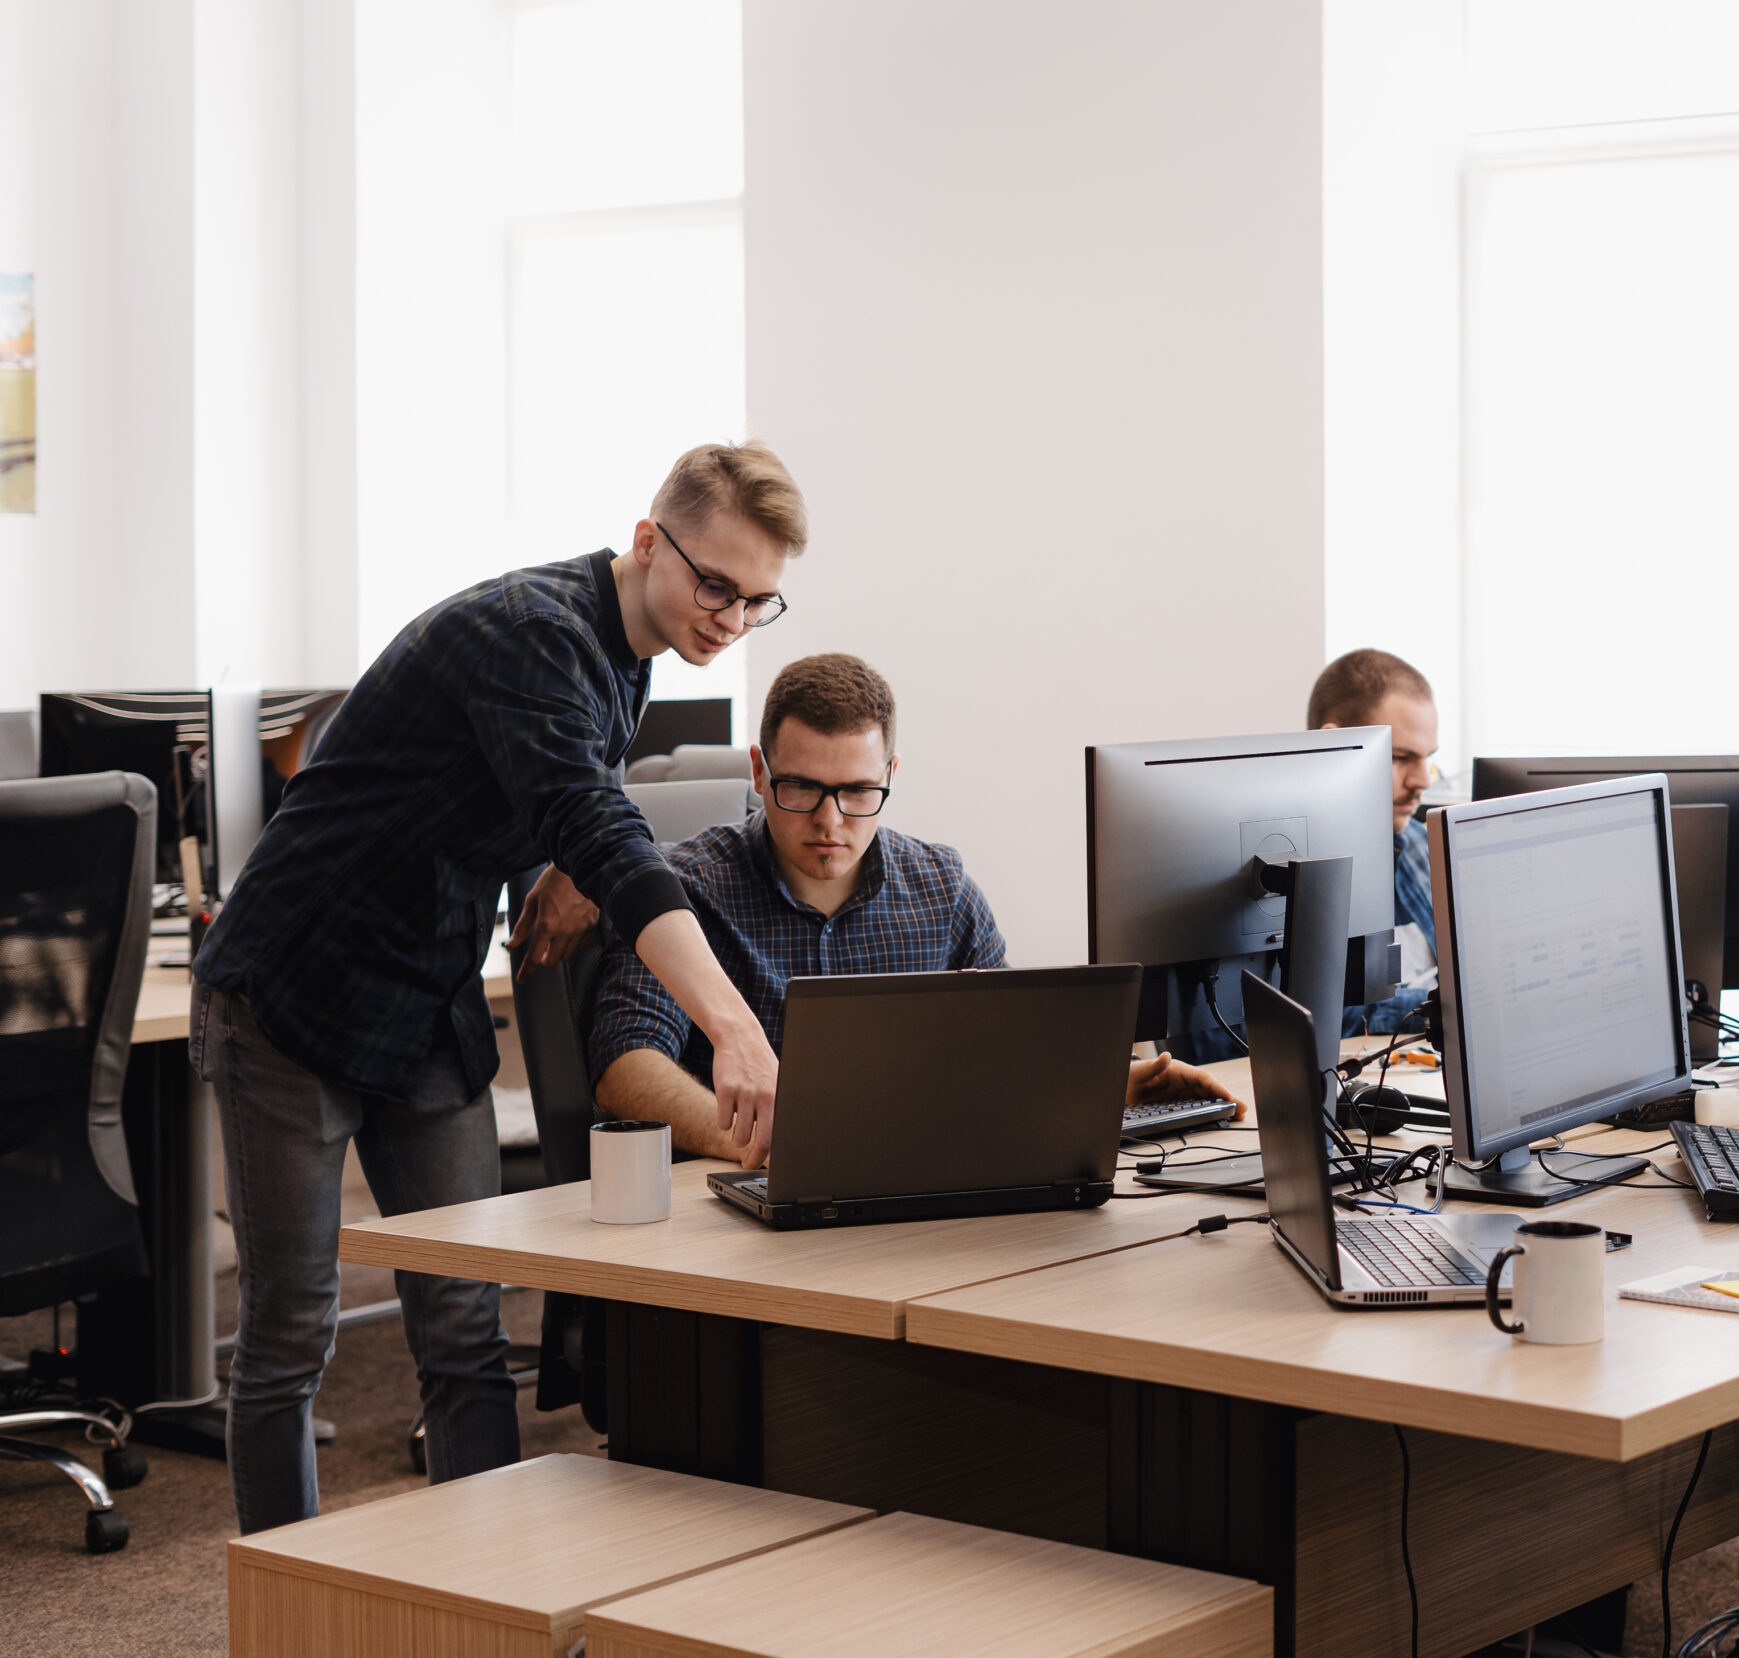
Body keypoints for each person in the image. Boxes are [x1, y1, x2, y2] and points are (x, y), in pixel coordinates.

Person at [191, 440, 807, 1533]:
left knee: (467, 1322)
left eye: (757, 602)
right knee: (292, 1333)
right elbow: (603, 824)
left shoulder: (631, 648)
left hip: (423, 997)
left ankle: (484, 1612)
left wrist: (565, 865)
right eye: (715, 584)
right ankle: (281, 1602)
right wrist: (733, 1025)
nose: (728, 615)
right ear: (646, 540)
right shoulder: (530, 633)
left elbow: (561, 788)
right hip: (290, 989)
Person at [589, 653, 1236, 1152]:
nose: (830, 820)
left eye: (858, 791)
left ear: (891, 776)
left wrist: (1111, 1087)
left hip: (915, 1200)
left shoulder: (940, 889)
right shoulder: (686, 891)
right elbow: (627, 1068)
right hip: (750, 1208)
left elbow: (1007, 1053)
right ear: (759, 772)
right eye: (801, 789)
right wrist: (758, 1139)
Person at [1307, 648, 1440, 1038]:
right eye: (1401, 757)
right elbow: (1231, 1029)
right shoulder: (1272, 875)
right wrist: (1436, 1010)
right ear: (1333, 749)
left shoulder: (1420, 845)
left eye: (1428, 758)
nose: (1423, 781)